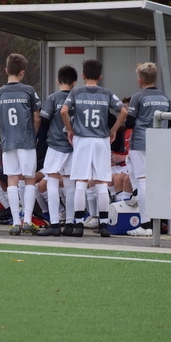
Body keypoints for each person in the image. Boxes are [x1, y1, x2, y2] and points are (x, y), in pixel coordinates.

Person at [61, 59, 127, 238]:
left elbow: (63, 111)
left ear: (83, 75)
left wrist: (70, 129)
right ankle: (104, 225)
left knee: (81, 182)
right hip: (101, 140)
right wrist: (114, 130)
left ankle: (78, 225)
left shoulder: (76, 92)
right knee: (101, 182)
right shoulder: (106, 93)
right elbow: (123, 111)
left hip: (82, 140)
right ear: (100, 76)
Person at [0, 53, 42, 235]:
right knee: (29, 178)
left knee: (12, 178)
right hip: (26, 140)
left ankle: (15, 223)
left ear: (6, 70)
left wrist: (5, 136)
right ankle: (27, 221)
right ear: (22, 72)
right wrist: (33, 135)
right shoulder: (29, 91)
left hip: (8, 141)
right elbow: (37, 118)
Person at [125, 62, 171, 237]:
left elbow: (129, 123)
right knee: (158, 182)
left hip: (141, 142)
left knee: (143, 181)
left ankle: (145, 224)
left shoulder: (137, 97)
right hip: (160, 143)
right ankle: (161, 221)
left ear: (140, 80)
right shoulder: (165, 98)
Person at [35, 65, 78, 237]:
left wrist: (39, 142)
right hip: (73, 146)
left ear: (57, 81)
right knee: (70, 184)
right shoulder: (77, 98)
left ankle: (54, 223)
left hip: (56, 145)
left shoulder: (52, 98)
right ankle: (70, 223)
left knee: (52, 181)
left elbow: (44, 121)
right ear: (75, 82)